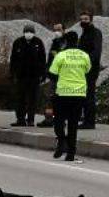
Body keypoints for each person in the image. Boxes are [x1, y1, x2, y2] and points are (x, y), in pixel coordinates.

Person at [49, 31, 91, 162]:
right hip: (79, 94)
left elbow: (52, 73)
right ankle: (71, 153)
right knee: (73, 124)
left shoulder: (61, 55)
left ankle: (61, 141)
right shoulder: (84, 55)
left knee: (58, 121)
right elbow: (88, 70)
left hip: (63, 93)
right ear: (77, 41)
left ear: (65, 42)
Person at [9, 24, 46, 127]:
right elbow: (13, 59)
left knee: (33, 99)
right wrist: (12, 73)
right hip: (21, 76)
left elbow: (43, 59)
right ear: (24, 32)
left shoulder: (38, 42)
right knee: (20, 98)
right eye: (27, 31)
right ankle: (20, 119)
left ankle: (30, 119)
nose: (28, 34)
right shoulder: (18, 42)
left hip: (34, 76)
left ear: (33, 33)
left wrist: (43, 73)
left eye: (30, 32)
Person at [37, 23, 67, 128]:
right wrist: (46, 72)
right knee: (49, 98)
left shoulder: (66, 43)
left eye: (59, 29)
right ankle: (49, 118)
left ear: (64, 30)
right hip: (53, 75)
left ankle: (60, 119)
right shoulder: (55, 43)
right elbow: (50, 59)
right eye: (54, 30)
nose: (56, 32)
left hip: (63, 76)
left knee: (61, 99)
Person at [77, 11, 103, 129]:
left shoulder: (95, 33)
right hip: (82, 69)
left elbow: (96, 52)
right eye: (82, 19)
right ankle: (86, 120)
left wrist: (86, 63)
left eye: (86, 19)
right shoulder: (83, 34)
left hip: (91, 69)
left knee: (89, 96)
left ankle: (90, 122)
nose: (83, 21)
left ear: (91, 20)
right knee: (84, 95)